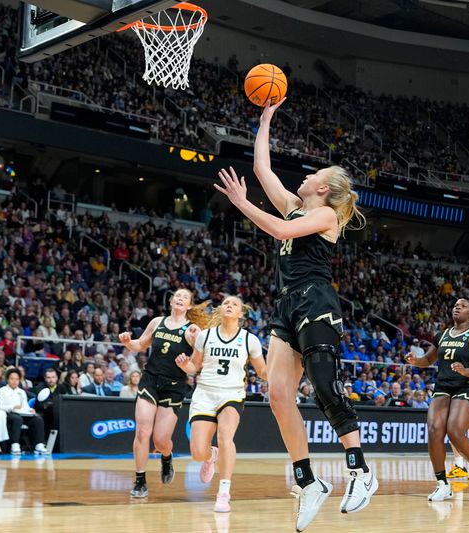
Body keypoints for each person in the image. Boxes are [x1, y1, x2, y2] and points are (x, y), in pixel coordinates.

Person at [214, 98, 376, 531]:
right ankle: (308, 482)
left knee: (324, 384)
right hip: (287, 302)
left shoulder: (324, 215)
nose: (305, 176)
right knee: (278, 395)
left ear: (323, 188)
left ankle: (361, 471)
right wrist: (266, 119)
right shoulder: (298, 205)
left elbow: (282, 231)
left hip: (317, 299)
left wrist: (241, 203)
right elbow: (263, 170)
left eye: (313, 175)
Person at [176, 295, 267, 513]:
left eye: (234, 304)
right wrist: (184, 365)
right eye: (226, 303)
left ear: (240, 314)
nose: (229, 305)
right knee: (198, 453)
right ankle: (210, 456)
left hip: (232, 395)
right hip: (205, 394)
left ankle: (224, 492)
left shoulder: (249, 340)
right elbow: (194, 367)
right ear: (221, 309)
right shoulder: (205, 336)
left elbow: (263, 371)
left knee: (226, 436)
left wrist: (282, 372)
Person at [118, 288, 204, 499]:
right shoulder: (157, 322)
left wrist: (187, 364)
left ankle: (167, 456)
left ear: (189, 305)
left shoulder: (193, 330)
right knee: (142, 431)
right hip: (150, 380)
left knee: (160, 441)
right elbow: (141, 344)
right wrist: (128, 342)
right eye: (178, 296)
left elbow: (197, 364)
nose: (180, 298)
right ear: (172, 301)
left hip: (174, 385)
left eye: (185, 297)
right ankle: (140, 480)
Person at [405, 298, 469, 502]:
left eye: (462, 306)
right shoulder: (442, 335)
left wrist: (464, 370)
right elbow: (428, 359)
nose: (457, 307)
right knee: (435, 430)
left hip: (467, 386)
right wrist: (416, 361)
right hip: (444, 386)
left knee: (455, 431)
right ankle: (442, 484)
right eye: (455, 305)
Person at [0, 368, 48, 455]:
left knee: (38, 419)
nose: (14, 381)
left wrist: (30, 410)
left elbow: (25, 406)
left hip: (22, 413)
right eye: (12, 378)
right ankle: (15, 445)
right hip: (9, 414)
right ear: (7, 379)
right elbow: (1, 406)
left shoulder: (21, 392)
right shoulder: (2, 391)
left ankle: (39, 444)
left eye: (17, 379)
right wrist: (13, 407)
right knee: (17, 419)